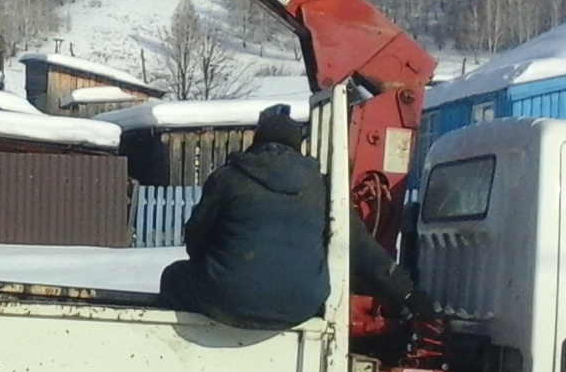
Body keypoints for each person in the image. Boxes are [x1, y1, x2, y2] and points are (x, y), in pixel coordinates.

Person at [160, 103, 434, 329]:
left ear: (256, 144)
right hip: (301, 305)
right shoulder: (323, 188)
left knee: (172, 276)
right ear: (298, 147)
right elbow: (361, 248)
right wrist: (407, 292)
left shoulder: (228, 179)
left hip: (226, 300)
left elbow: (195, 239)